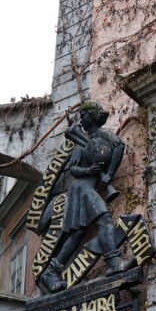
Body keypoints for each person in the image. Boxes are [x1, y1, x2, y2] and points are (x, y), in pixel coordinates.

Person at [38, 101, 133, 293]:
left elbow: (119, 146)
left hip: (89, 188)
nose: (81, 119)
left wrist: (109, 174)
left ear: (92, 115)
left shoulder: (101, 136)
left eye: (83, 115)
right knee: (105, 220)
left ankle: (51, 271)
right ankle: (113, 262)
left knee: (77, 234)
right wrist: (89, 169)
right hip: (81, 189)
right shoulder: (81, 142)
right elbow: (73, 169)